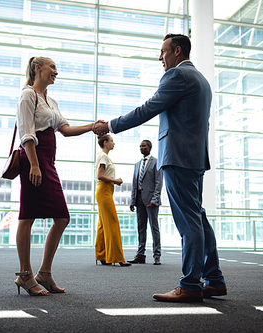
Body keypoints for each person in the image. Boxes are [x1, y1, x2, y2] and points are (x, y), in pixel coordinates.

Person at [93, 33, 226, 302]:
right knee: (198, 218)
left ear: (177, 51)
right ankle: (214, 280)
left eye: (163, 51)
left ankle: (190, 284)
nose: (160, 57)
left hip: (178, 157)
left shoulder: (177, 76)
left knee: (189, 221)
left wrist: (110, 125)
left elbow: (148, 108)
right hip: (195, 158)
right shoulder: (202, 81)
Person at [14, 56, 100, 296]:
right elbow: (26, 133)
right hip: (34, 159)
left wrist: (93, 126)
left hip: (47, 162)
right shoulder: (27, 95)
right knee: (27, 216)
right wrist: (33, 164)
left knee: (62, 217)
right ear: (37, 68)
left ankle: (45, 273)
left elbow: (65, 129)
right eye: (53, 67)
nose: (56, 72)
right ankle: (24, 274)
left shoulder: (50, 100)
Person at [94, 134, 131, 267]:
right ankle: (117, 257)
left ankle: (102, 255)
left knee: (103, 224)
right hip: (104, 191)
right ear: (105, 143)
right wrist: (115, 180)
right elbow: (100, 176)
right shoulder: (103, 156)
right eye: (112, 141)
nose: (113, 143)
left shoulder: (103, 156)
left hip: (105, 191)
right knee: (112, 222)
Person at [128, 140, 163, 265]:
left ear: (150, 147)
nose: (141, 148)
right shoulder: (137, 164)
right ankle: (141, 254)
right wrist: (133, 201)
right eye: (140, 146)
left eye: (143, 146)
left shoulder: (156, 162)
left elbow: (159, 183)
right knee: (141, 228)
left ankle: (157, 255)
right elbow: (134, 184)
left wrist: (155, 199)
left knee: (154, 228)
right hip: (139, 201)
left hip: (151, 201)